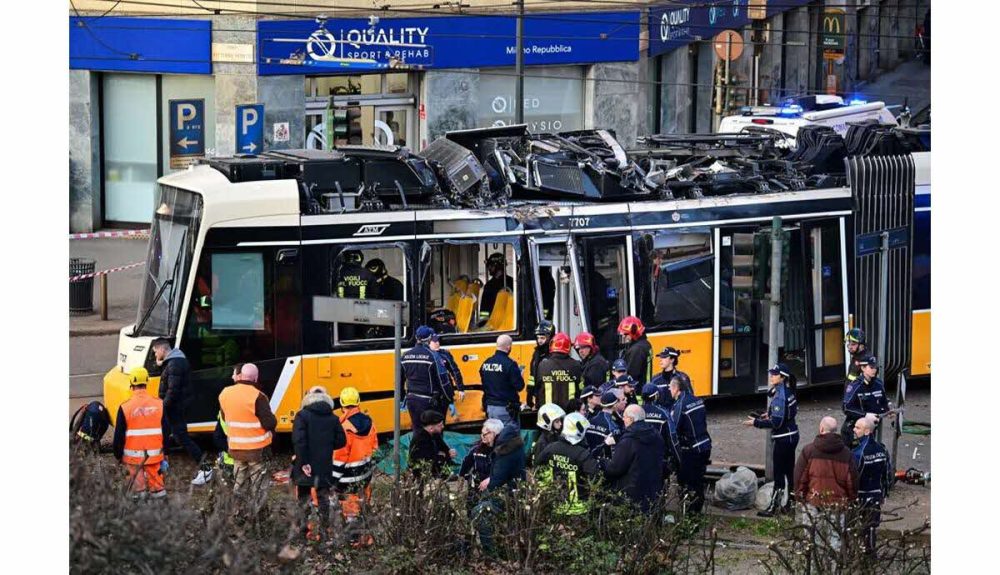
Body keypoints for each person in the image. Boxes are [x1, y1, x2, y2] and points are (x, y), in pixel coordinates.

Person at [152, 338, 212, 485]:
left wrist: (162, 406)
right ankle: (162, 465)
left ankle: (206, 468)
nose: (155, 355)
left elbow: (173, 390)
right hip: (176, 406)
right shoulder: (175, 361)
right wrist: (161, 364)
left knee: (181, 437)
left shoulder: (174, 364)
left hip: (175, 407)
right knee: (169, 434)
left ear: (162, 349)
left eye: (155, 352)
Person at [794, 416, 860, 552]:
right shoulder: (846, 454)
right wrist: (851, 499)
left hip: (813, 502)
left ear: (821, 428)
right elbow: (852, 482)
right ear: (835, 431)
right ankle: (833, 564)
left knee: (812, 541)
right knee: (835, 541)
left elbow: (800, 478)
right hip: (837, 505)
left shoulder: (809, 451)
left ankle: (815, 564)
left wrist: (800, 497)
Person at [291, 386, 347, 542]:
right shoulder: (333, 418)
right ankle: (324, 531)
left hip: (305, 464)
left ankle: (303, 531)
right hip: (324, 463)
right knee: (323, 498)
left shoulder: (302, 416)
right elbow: (341, 441)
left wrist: (304, 462)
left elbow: (298, 440)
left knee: (303, 498)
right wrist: (326, 446)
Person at [744, 363, 799, 517]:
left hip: (783, 439)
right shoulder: (789, 391)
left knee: (779, 474)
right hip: (792, 435)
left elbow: (776, 423)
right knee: (789, 472)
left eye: (775, 374)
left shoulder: (780, 396)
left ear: (782, 377)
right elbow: (786, 414)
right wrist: (767, 415)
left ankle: (774, 508)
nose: (771, 377)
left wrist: (756, 423)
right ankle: (790, 506)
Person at [219, 363, 278, 499]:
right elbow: (269, 423)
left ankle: (239, 507)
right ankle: (257, 508)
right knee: (259, 485)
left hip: (236, 448)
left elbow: (224, 416)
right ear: (256, 378)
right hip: (257, 450)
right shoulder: (258, 396)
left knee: (239, 482)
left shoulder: (225, 393)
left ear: (240, 376)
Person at [469, 418, 526, 557]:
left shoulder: (504, 451)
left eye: (485, 434)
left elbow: (497, 480)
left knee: (479, 512)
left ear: (493, 434)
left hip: (509, 494)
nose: (483, 438)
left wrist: (490, 483)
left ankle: (491, 554)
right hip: (513, 490)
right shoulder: (509, 445)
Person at [112, 367, 169, 500]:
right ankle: (161, 510)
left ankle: (140, 510)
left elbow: (119, 435)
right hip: (154, 457)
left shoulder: (125, 407)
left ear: (131, 383)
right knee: (158, 490)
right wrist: (166, 452)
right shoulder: (159, 404)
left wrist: (118, 454)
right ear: (147, 382)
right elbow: (166, 431)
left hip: (132, 459)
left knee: (138, 491)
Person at [332, 387, 379, 546]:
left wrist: (332, 479)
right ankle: (364, 534)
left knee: (350, 510)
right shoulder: (370, 422)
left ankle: (354, 541)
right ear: (358, 402)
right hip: (365, 474)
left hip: (347, 478)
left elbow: (339, 458)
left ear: (341, 405)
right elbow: (374, 447)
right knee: (362, 504)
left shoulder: (344, 428)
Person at [536, 412, 602, 516]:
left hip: (555, 503)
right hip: (579, 508)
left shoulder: (551, 448)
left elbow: (538, 467)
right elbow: (595, 478)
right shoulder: (582, 454)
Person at [604, 404, 666, 513]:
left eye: (624, 416)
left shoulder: (629, 441)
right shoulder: (656, 435)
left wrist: (603, 462)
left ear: (631, 419)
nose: (623, 419)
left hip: (632, 495)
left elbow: (615, 468)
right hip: (653, 491)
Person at [668, 375, 712, 515]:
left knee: (688, 483)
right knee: (698, 481)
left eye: (670, 387)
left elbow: (674, 429)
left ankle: (690, 517)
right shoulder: (697, 400)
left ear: (676, 388)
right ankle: (697, 514)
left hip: (692, 449)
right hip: (705, 445)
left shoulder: (680, 405)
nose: (669, 390)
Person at [852, 415, 892, 555]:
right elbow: (887, 474)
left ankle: (859, 555)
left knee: (857, 526)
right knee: (871, 528)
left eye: (857, 428)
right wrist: (884, 493)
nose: (854, 430)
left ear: (867, 431)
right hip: (876, 495)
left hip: (861, 495)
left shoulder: (857, 453)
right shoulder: (882, 449)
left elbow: (854, 477)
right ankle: (870, 554)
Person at [401, 326, 449, 431]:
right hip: (429, 401)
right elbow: (443, 380)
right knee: (433, 432)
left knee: (417, 430)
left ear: (416, 337)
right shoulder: (433, 356)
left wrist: (402, 399)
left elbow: (400, 380)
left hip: (411, 400)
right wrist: (449, 398)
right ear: (429, 338)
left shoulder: (405, 356)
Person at [841, 355, 891, 448]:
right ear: (863, 368)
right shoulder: (855, 386)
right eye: (871, 367)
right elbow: (846, 407)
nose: (874, 370)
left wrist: (888, 411)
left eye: (875, 367)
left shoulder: (879, 384)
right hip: (853, 430)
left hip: (870, 430)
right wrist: (865, 415)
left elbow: (883, 403)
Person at [479, 334, 526, 432]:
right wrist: (520, 376)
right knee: (509, 436)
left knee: (493, 436)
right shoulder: (510, 364)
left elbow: (484, 381)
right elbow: (519, 386)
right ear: (508, 347)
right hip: (505, 409)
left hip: (490, 407)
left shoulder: (486, 363)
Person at [335, 249, 380, 340]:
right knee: (365, 342)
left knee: (347, 342)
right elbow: (376, 294)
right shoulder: (367, 274)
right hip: (364, 314)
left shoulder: (338, 274)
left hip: (344, 315)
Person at [532, 332, 583, 410]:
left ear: (552, 345)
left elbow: (537, 388)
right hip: (570, 412)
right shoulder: (576, 365)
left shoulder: (543, 365)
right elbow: (581, 389)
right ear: (568, 347)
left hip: (547, 412)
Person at [460, 419, 502, 512]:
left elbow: (509, 470)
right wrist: (461, 477)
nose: (483, 435)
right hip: (476, 488)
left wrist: (491, 479)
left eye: (487, 433)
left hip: (494, 490)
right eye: (482, 433)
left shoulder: (503, 451)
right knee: (472, 511)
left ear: (496, 435)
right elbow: (466, 464)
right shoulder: (476, 450)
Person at [640, 383, 673, 484]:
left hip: (639, 459)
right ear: (656, 396)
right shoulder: (663, 413)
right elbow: (672, 437)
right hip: (659, 459)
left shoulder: (635, 411)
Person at [409, 410, 456, 479]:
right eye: (440, 425)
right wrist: (443, 456)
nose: (443, 427)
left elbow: (444, 448)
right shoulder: (421, 440)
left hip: (433, 467)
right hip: (423, 473)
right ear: (431, 428)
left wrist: (449, 452)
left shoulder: (435, 435)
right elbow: (429, 459)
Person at [586, 390, 625, 462]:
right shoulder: (613, 426)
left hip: (589, 459)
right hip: (605, 462)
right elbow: (615, 449)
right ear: (615, 405)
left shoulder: (590, 420)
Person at [429, 334, 465, 414]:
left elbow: (455, 371)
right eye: (434, 341)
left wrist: (460, 389)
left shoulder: (445, 354)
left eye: (438, 341)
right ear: (428, 343)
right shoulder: (426, 355)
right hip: (430, 393)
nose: (437, 343)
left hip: (444, 393)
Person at [526, 321, 555, 409]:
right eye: (538, 338)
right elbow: (532, 375)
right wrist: (530, 392)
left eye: (542, 338)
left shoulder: (553, 354)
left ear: (550, 337)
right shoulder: (537, 353)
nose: (539, 341)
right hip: (539, 395)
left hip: (551, 395)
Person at [617, 316, 653, 387]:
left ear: (634, 332)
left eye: (626, 334)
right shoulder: (646, 343)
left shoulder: (637, 349)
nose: (623, 336)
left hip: (637, 389)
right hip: (644, 386)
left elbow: (631, 374)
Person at [479, 252, 514, 322]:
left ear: (498, 266)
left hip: (498, 324)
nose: (489, 268)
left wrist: (483, 323)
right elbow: (484, 310)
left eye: (491, 266)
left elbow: (484, 310)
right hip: (508, 323)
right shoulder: (513, 282)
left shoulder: (490, 285)